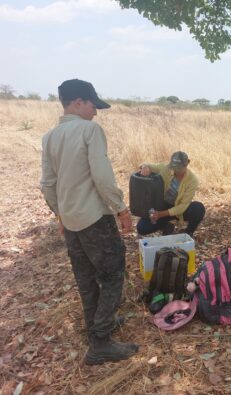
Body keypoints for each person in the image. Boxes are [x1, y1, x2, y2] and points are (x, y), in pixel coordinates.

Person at [40, 79, 138, 365]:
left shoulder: (50, 137)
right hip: (95, 219)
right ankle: (101, 343)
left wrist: (59, 214)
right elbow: (103, 177)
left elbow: (47, 184)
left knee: (86, 279)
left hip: (70, 222)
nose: (96, 111)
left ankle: (96, 326)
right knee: (111, 274)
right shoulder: (90, 130)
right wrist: (120, 208)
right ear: (78, 102)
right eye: (93, 104)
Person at [137, 151, 205, 237]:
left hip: (179, 210)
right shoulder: (166, 168)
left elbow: (183, 206)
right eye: (174, 167)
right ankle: (166, 226)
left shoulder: (192, 180)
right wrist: (145, 167)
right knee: (142, 228)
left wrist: (160, 214)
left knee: (198, 208)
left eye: (179, 168)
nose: (176, 170)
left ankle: (188, 232)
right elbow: (146, 165)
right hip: (162, 206)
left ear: (187, 164)